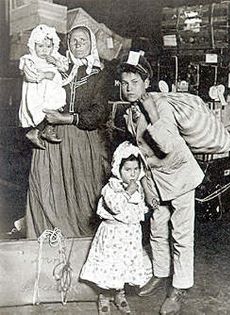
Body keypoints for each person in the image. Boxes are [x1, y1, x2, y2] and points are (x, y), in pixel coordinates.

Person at [117, 51, 205, 315]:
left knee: (181, 235)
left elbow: (165, 145)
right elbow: (140, 154)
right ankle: (160, 272)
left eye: (135, 81)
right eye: (124, 82)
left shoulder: (160, 104)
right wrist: (145, 186)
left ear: (147, 83)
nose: (129, 87)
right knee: (157, 228)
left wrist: (151, 110)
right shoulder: (128, 111)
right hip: (155, 179)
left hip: (179, 176)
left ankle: (179, 287)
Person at [26, 25, 112, 238]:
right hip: (52, 137)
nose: (78, 44)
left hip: (83, 137)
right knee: (47, 186)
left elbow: (100, 112)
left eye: (83, 40)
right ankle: (48, 239)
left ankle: (83, 244)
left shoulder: (99, 74)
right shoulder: (57, 68)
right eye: (73, 40)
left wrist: (65, 118)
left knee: (84, 194)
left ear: (91, 44)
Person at [80, 141, 150, 315]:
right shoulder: (111, 188)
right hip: (113, 235)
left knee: (124, 266)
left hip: (129, 236)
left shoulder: (138, 187)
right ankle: (104, 295)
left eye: (135, 169)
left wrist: (146, 203)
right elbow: (116, 206)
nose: (132, 174)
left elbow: (139, 209)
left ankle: (120, 294)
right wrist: (128, 192)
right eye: (128, 170)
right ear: (118, 169)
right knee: (109, 267)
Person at [19, 24, 69, 149]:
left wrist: (55, 62)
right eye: (40, 46)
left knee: (56, 106)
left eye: (48, 46)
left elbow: (65, 68)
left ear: (54, 46)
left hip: (52, 91)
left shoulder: (55, 57)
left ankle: (47, 129)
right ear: (33, 46)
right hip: (37, 92)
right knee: (40, 110)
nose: (44, 50)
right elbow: (30, 76)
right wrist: (44, 75)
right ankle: (35, 131)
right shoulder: (29, 59)